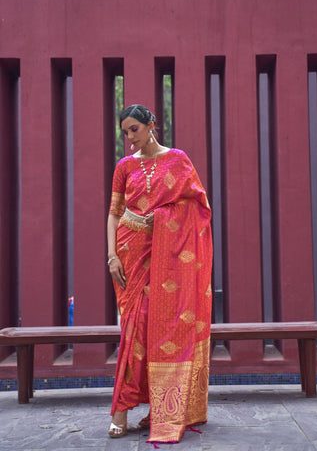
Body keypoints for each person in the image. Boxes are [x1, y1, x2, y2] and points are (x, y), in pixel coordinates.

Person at [107, 104, 213, 444]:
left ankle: (160, 409)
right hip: (129, 253)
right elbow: (114, 214)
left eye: (134, 129)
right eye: (125, 132)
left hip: (167, 255)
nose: (129, 137)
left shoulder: (178, 160)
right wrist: (111, 255)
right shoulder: (124, 166)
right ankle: (120, 411)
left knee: (161, 328)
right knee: (133, 330)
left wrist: (165, 219)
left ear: (152, 126)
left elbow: (198, 207)